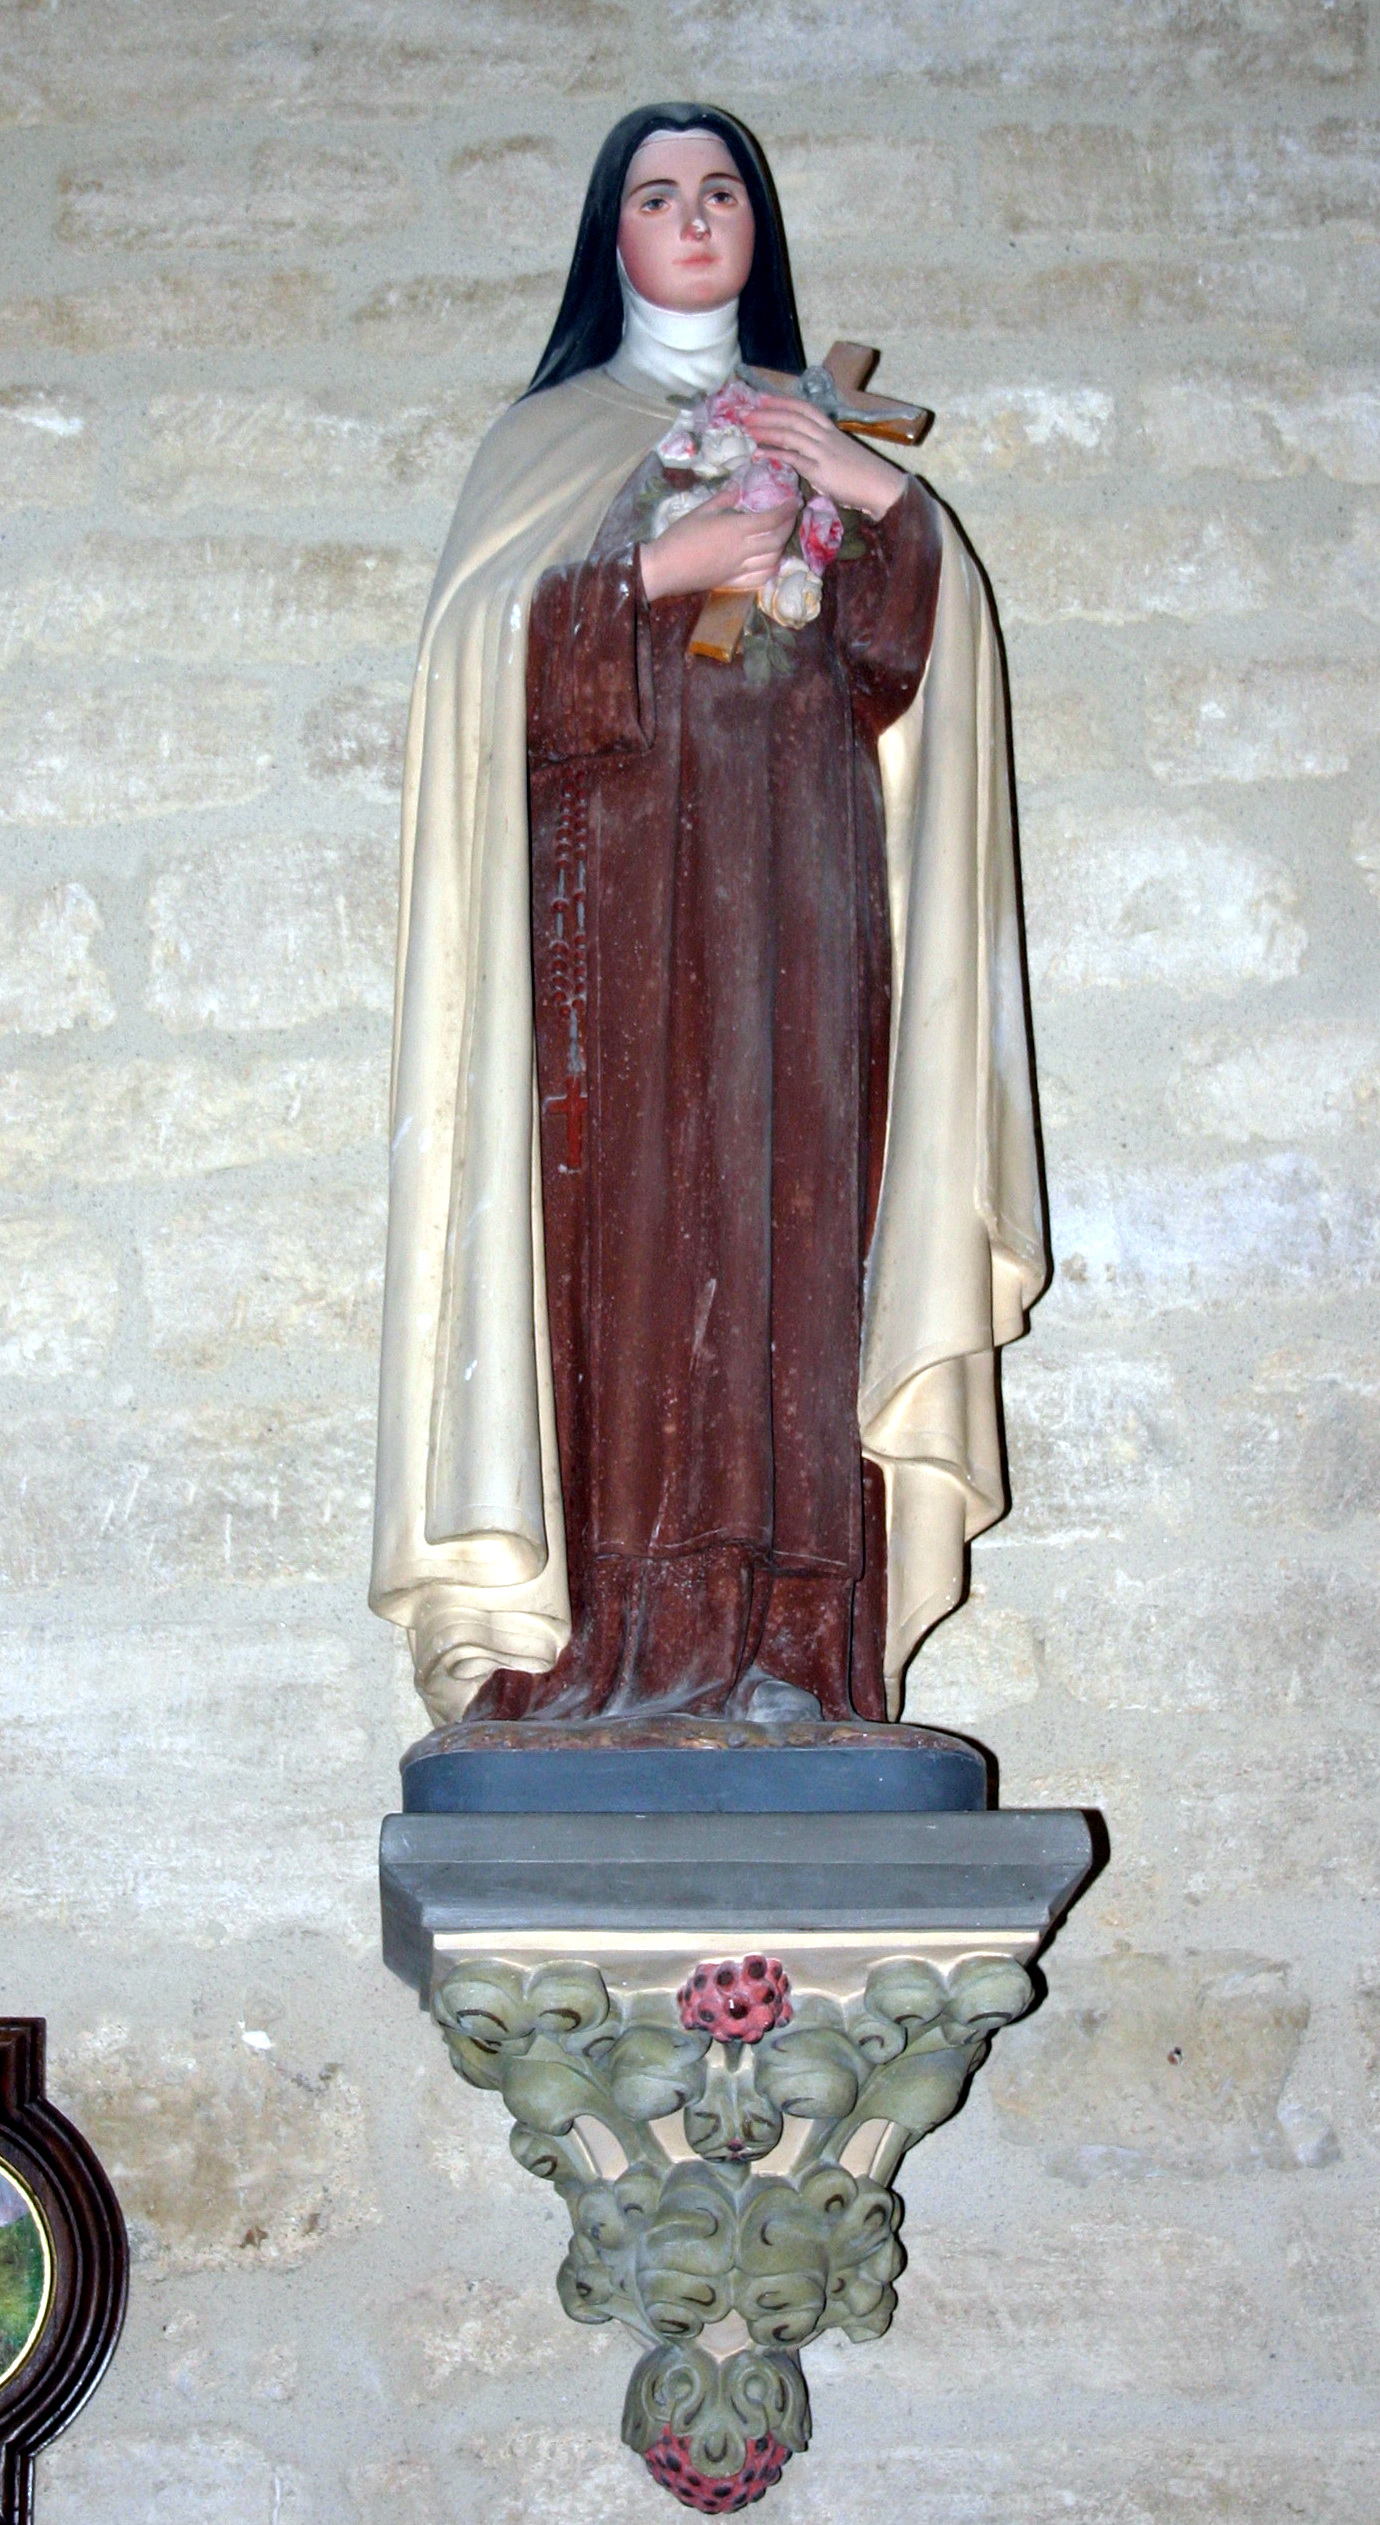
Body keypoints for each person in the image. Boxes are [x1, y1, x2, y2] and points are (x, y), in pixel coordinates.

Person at [370, 104, 1047, 1729]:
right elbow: (479, 674)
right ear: (611, 235)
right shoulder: (550, 440)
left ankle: (795, 1645)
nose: (692, 216)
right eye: (659, 193)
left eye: (721, 189)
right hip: (607, 924)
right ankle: (604, 1647)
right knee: (634, 1252)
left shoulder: (820, 421)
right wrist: (656, 576)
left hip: (807, 904)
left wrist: (870, 495)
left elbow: (911, 663)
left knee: (801, 1231)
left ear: (760, 226)